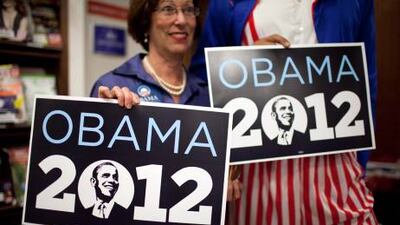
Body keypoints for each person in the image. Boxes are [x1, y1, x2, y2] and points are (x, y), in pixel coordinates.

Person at [190, 0, 378, 224]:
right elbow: (204, 81)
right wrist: (242, 62)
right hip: (257, 181)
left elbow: (366, 82)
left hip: (337, 177)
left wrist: (361, 163)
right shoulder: (229, 3)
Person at [90, 0, 209, 109]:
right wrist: (108, 111)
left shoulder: (206, 93)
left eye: (188, 9)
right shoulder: (113, 84)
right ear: (145, 21)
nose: (182, 20)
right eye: (168, 9)